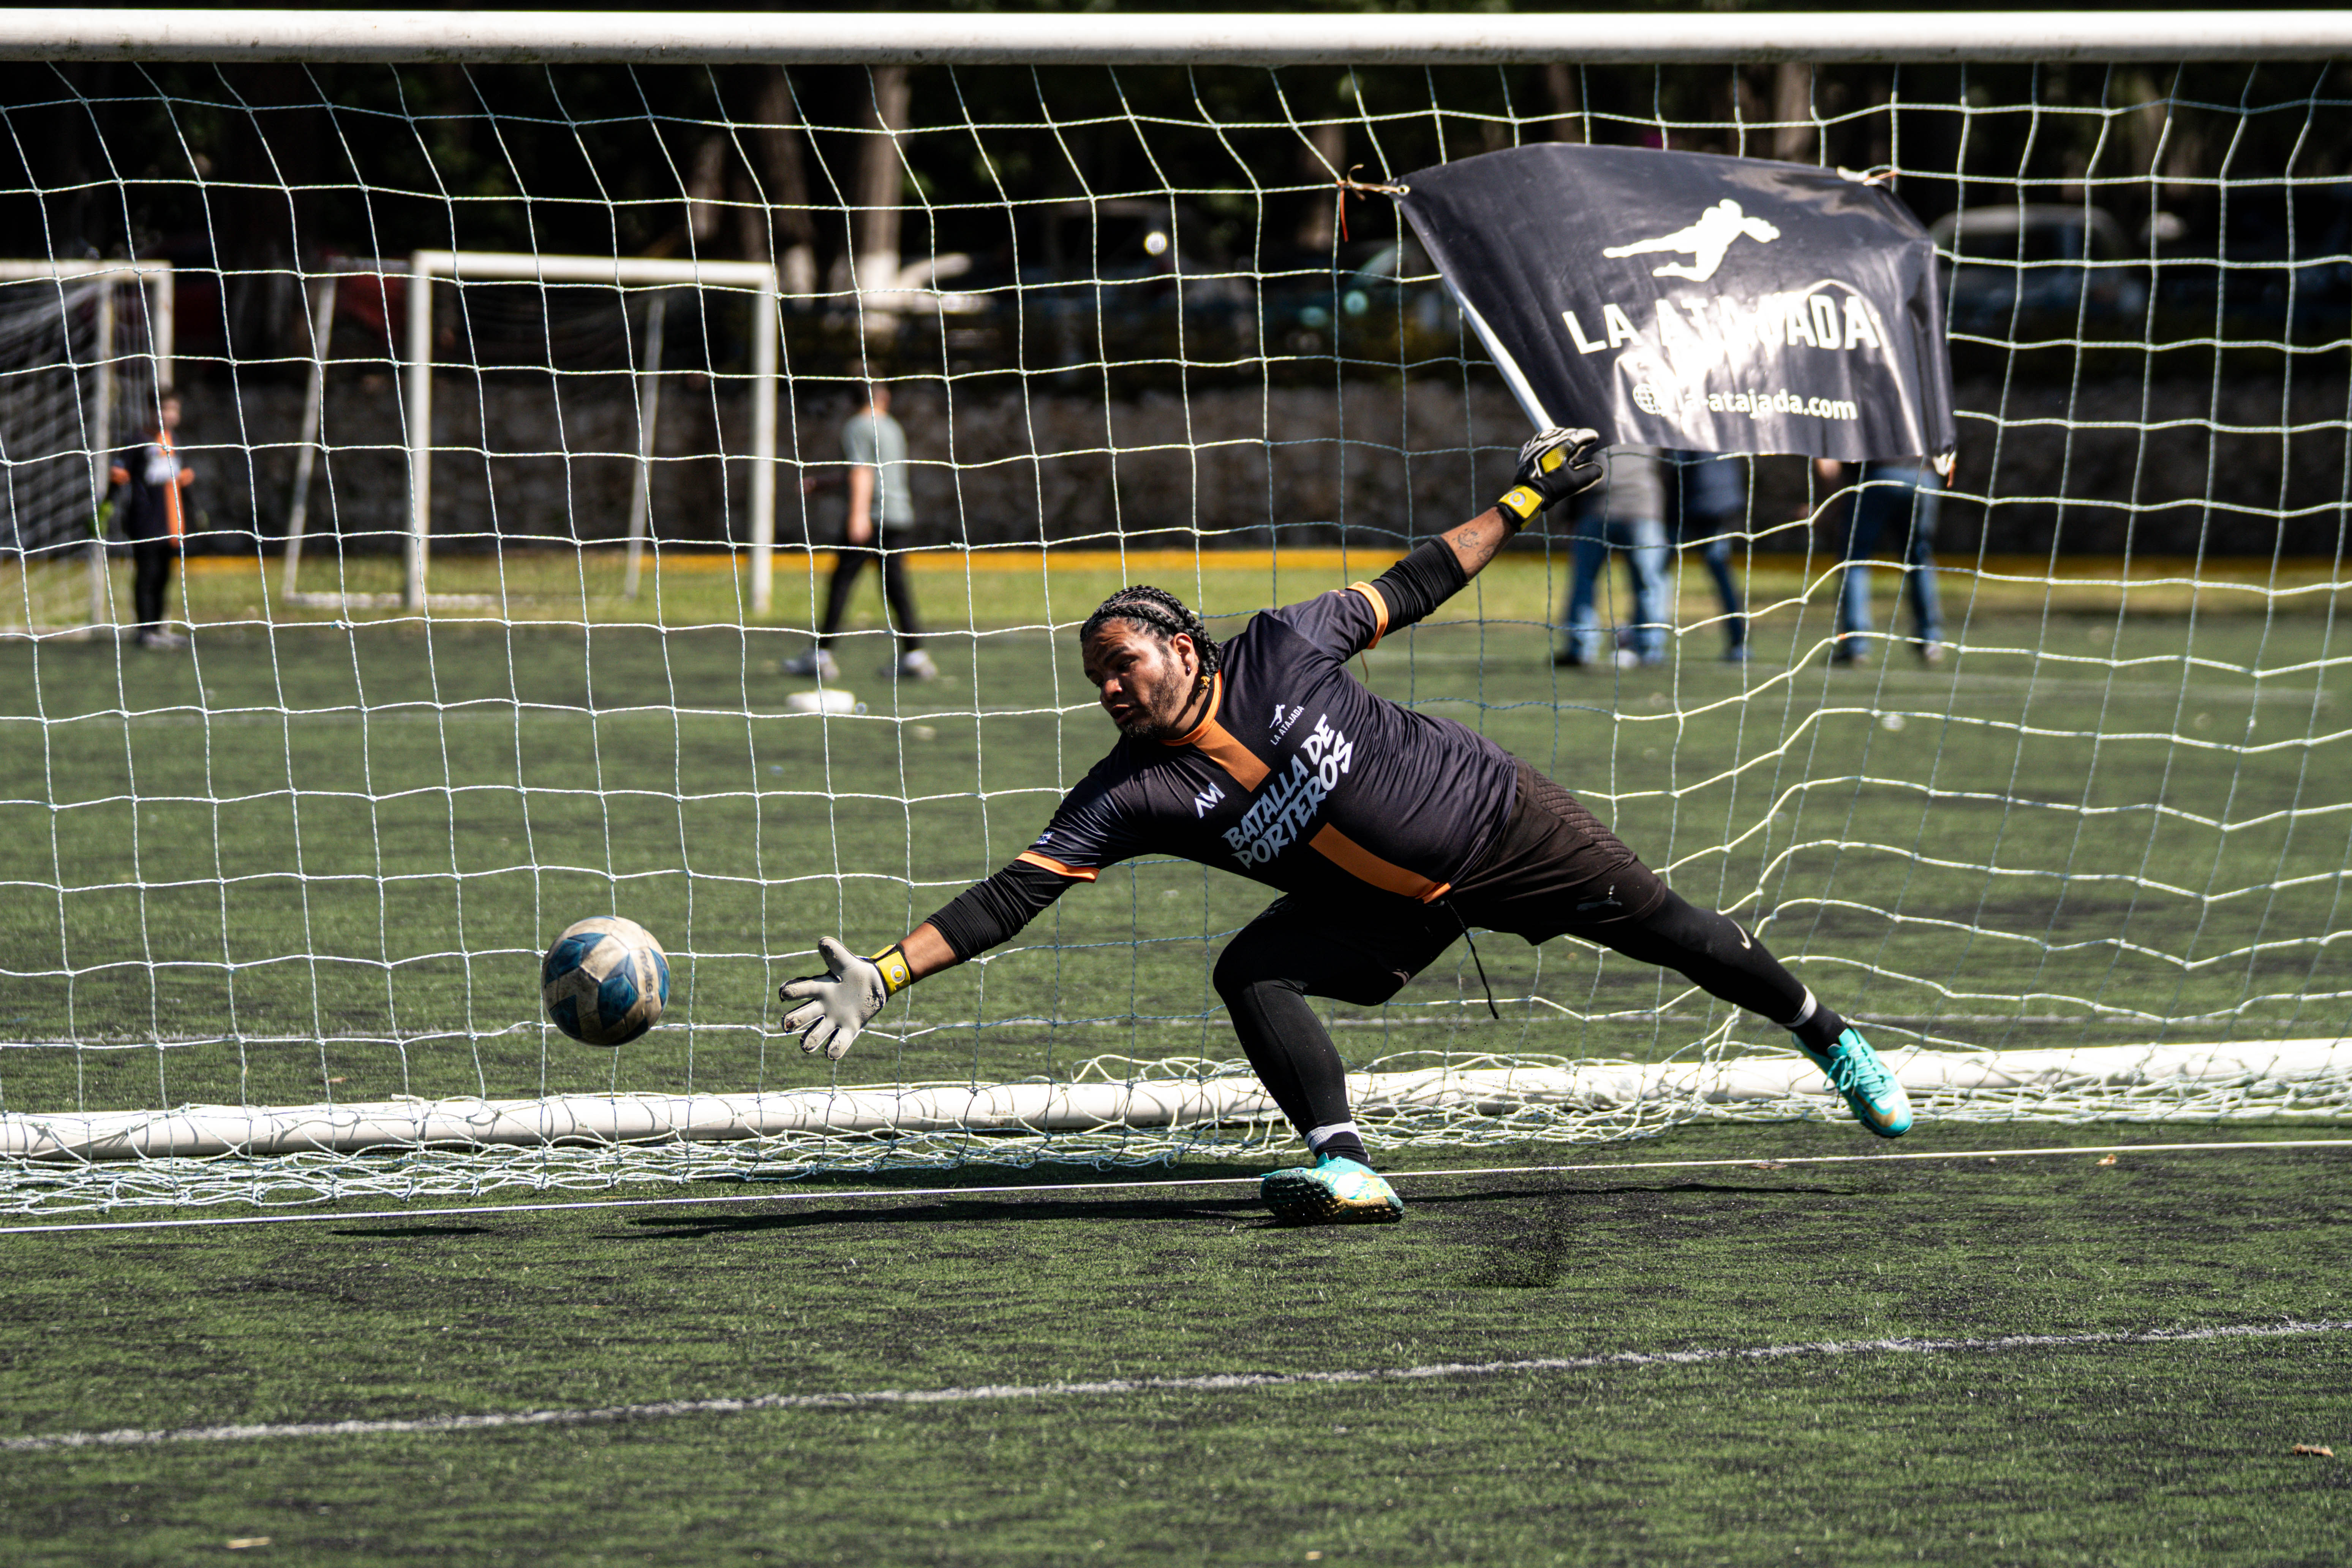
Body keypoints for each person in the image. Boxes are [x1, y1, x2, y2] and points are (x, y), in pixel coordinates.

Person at [779, 427, 1914, 1228]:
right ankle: (1346, 1163)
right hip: (1380, 914)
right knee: (1252, 970)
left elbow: (1415, 582)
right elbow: (1010, 897)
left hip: (1499, 821)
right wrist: (882, 975)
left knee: (1676, 931)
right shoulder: (1127, 793)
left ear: (1184, 647)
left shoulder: (1283, 642)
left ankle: (1828, 1031)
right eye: (1097, 680)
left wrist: (1527, 496)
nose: (1110, 690)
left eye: (1121, 665)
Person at [784, 377, 937, 681]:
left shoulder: (857, 426)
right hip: (897, 515)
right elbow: (876, 471)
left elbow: (862, 472)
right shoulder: (892, 426)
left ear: (852, 401)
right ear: (884, 398)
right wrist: (827, 483)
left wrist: (857, 515)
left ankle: (821, 655)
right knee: (896, 589)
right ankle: (915, 656)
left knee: (841, 583)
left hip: (871, 515)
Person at [1822, 457, 1945, 666]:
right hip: (1923, 475)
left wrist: (1830, 499)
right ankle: (1931, 641)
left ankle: (1856, 646)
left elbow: (1827, 461)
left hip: (1875, 477)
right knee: (1920, 559)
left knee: (1855, 560)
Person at [1555, 444, 1669, 669]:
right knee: (1648, 583)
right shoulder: (1648, 422)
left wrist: (1570, 515)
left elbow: (1572, 471)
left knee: (1585, 581)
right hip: (1627, 508)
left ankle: (1581, 648)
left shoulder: (1593, 423)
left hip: (1615, 508)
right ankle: (1650, 649)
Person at [108, 389, 194, 651]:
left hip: (171, 523)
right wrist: (106, 507)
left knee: (164, 576)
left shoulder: (175, 441)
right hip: (145, 521)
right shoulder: (139, 440)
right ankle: (144, 631)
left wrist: (194, 512)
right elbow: (119, 476)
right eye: (164, 409)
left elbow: (184, 482)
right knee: (147, 573)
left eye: (173, 410)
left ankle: (159, 629)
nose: (169, 415)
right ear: (152, 411)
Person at [1668, 450, 1749, 663]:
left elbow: (1676, 463)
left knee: (1656, 571)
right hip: (1722, 502)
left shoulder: (1684, 424)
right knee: (1721, 572)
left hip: (1698, 501)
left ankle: (1647, 642)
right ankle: (1740, 642)